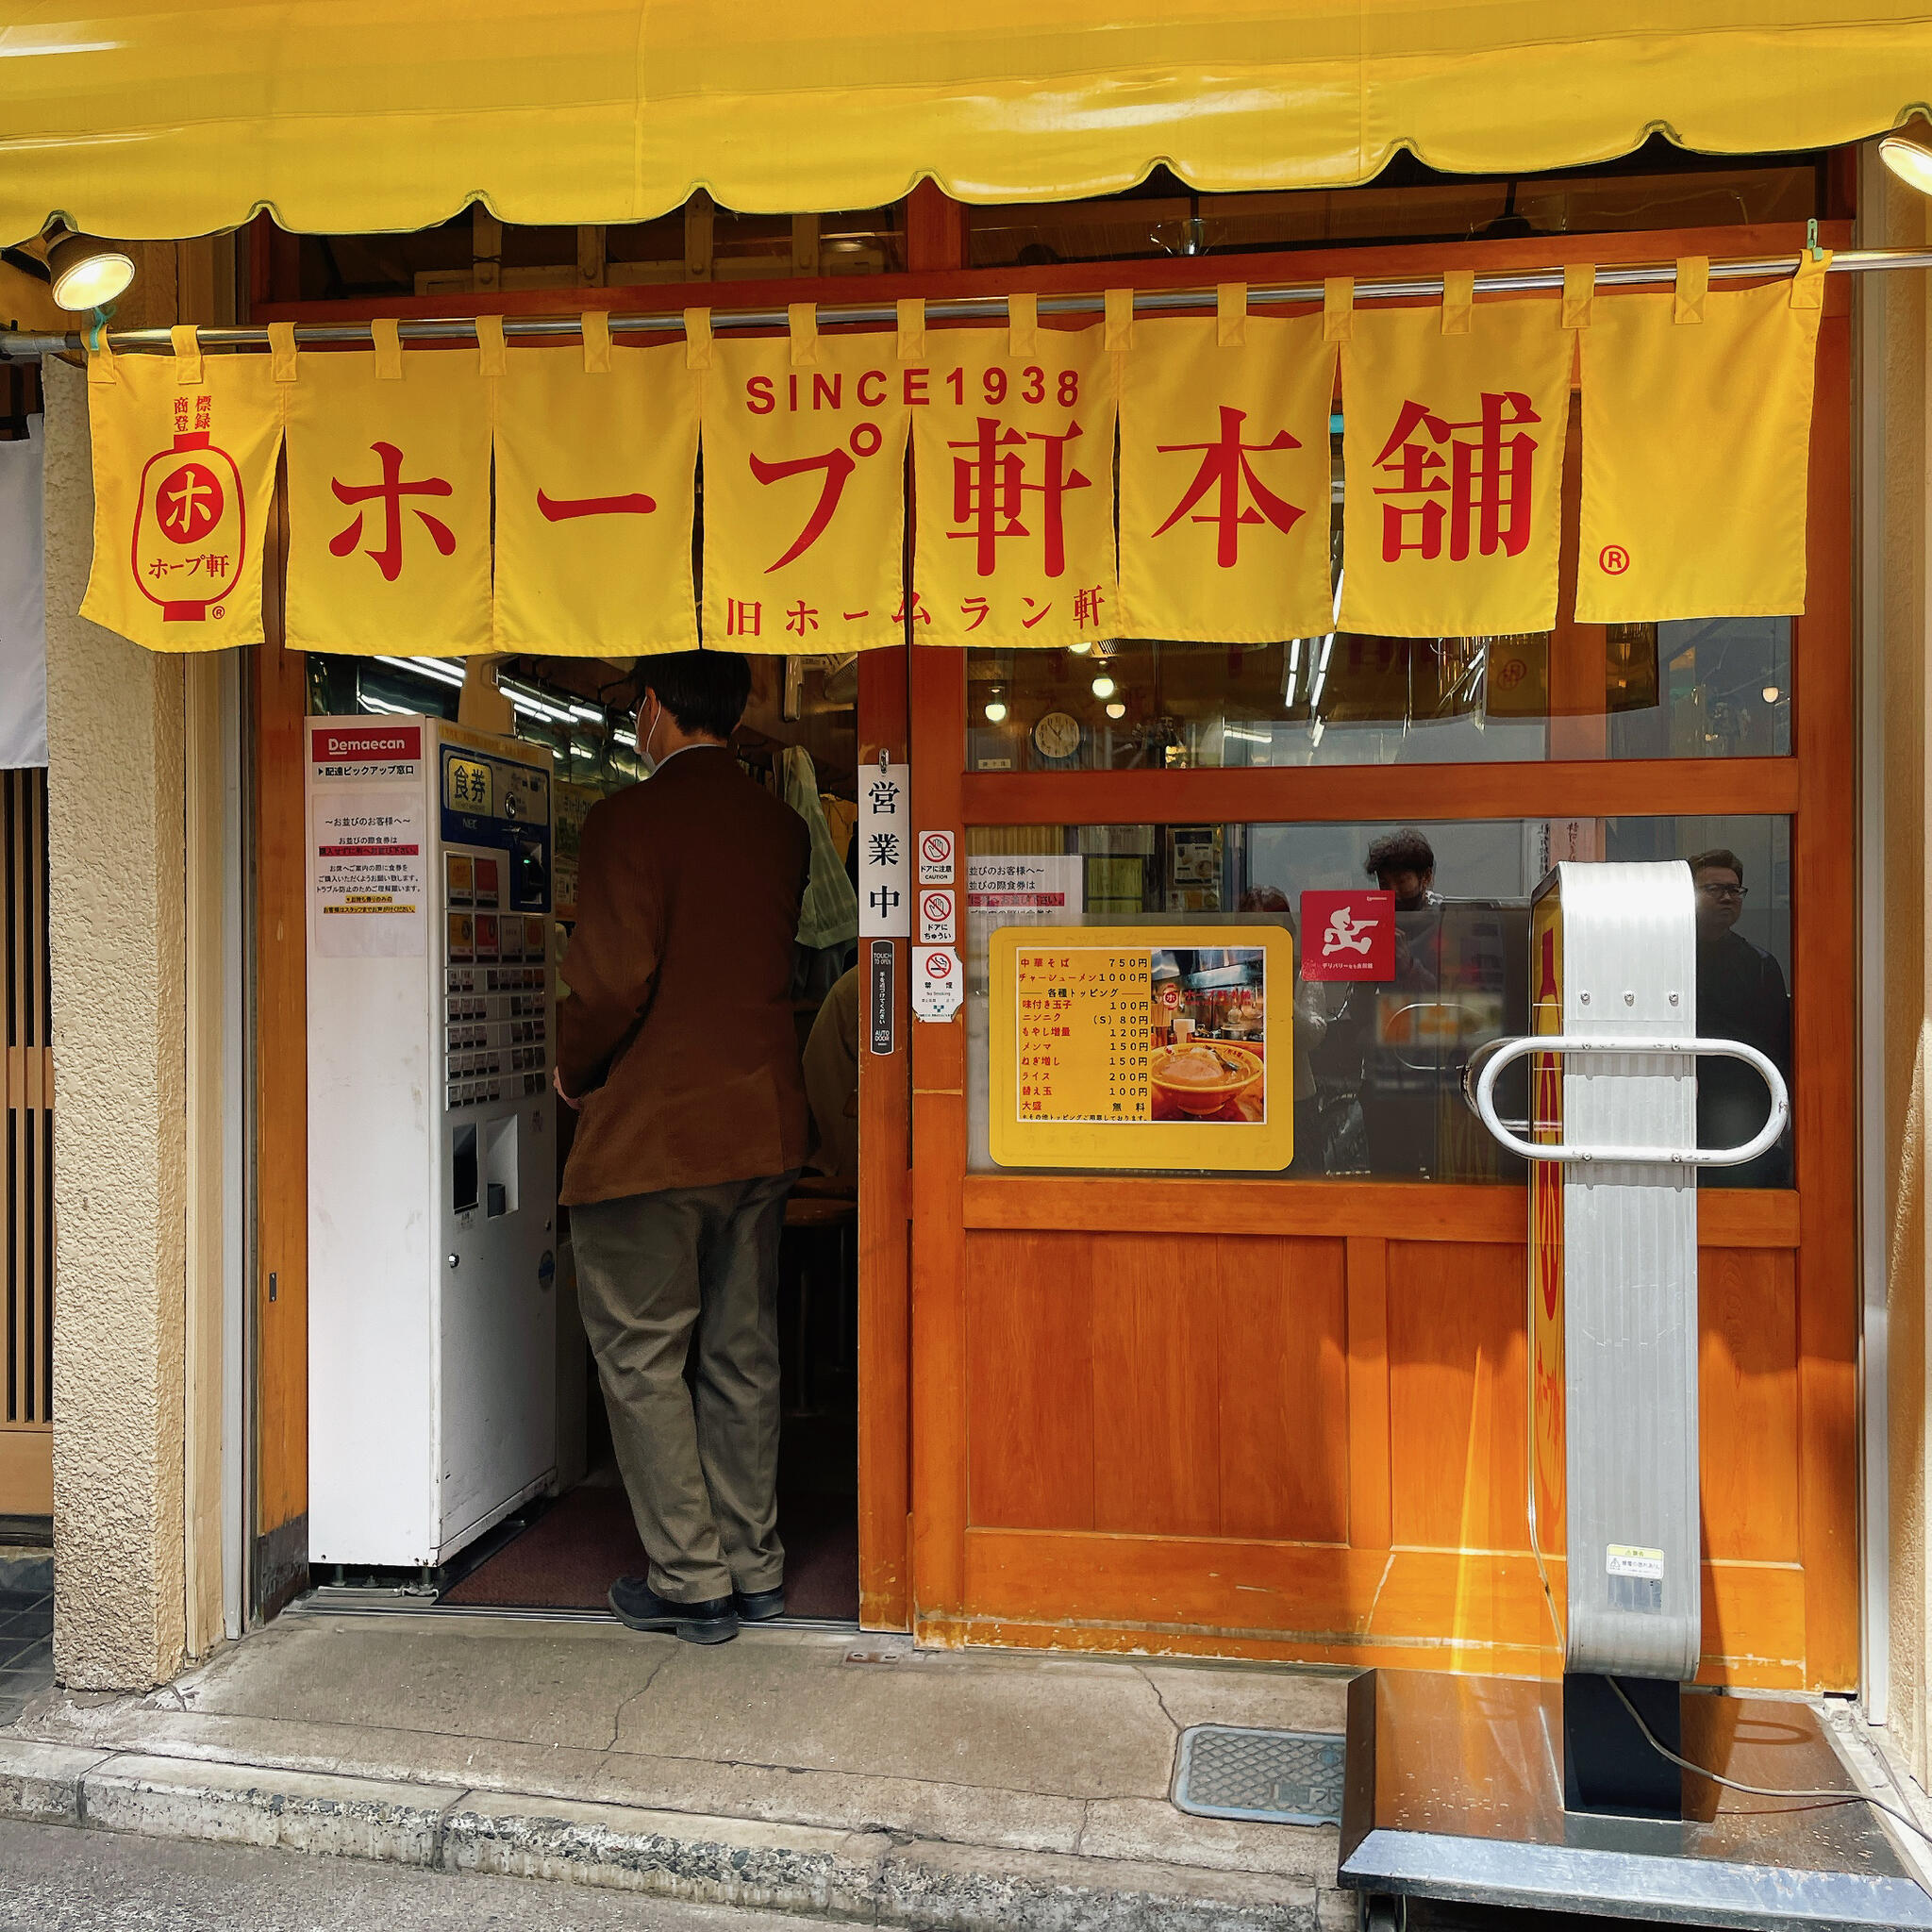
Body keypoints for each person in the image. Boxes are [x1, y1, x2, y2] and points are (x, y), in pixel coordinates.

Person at [555, 650, 811, 1645]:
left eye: (632, 706)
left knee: (642, 1350)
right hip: (760, 1123)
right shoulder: (780, 827)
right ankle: (756, 1566)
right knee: (742, 1348)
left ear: (654, 705)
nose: (631, 723)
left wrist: (575, 1066)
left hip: (654, 1134)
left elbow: (608, 984)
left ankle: (691, 1579)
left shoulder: (628, 820)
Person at [1689, 846, 1791, 1188]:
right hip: (1681, 1096)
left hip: (1743, 1105)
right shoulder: (1666, 956)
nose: (1727, 897)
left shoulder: (1760, 965)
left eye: (1734, 889)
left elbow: (1779, 1045)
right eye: (1713, 889)